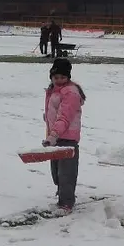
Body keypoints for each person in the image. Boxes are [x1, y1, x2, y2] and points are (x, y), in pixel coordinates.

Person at [42, 57, 85, 213]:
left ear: (68, 77)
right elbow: (54, 111)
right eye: (56, 77)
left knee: (66, 172)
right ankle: (62, 193)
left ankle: (66, 202)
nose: (59, 80)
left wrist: (53, 134)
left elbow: (65, 116)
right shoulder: (53, 90)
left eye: (63, 77)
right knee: (56, 172)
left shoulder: (71, 93)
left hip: (68, 138)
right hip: (55, 136)